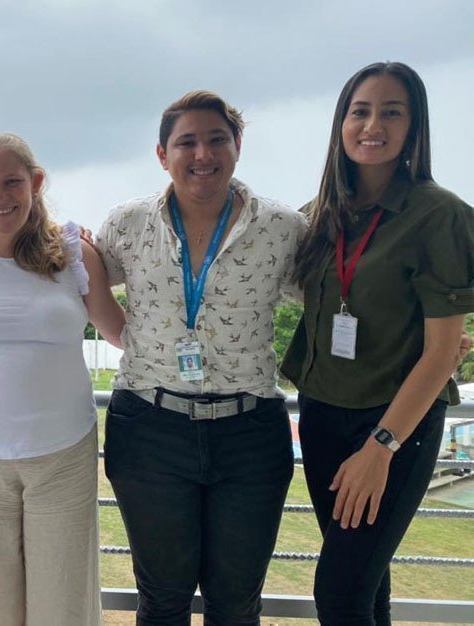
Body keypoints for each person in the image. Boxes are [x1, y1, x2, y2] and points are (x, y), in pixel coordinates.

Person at [96, 91, 306, 626]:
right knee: (162, 600)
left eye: (216, 139)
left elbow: (335, 297)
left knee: (236, 605)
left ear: (238, 146)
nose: (202, 154)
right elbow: (69, 281)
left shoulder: (284, 230)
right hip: (149, 430)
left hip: (249, 434)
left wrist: (429, 336)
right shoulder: (127, 224)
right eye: (186, 142)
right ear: (162, 154)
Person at [281, 61, 474, 625]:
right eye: (360, 111)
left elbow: (441, 352)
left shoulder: (440, 216)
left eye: (393, 112)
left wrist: (380, 446)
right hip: (321, 416)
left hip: (394, 428)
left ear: (415, 127)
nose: (374, 125)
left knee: (338, 595)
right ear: (341, 123)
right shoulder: (320, 216)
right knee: (367, 589)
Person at [0, 132, 125, 626]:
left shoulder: (76, 254)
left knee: (63, 603)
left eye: (12, 182)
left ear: (35, 183)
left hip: (63, 454)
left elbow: (121, 333)